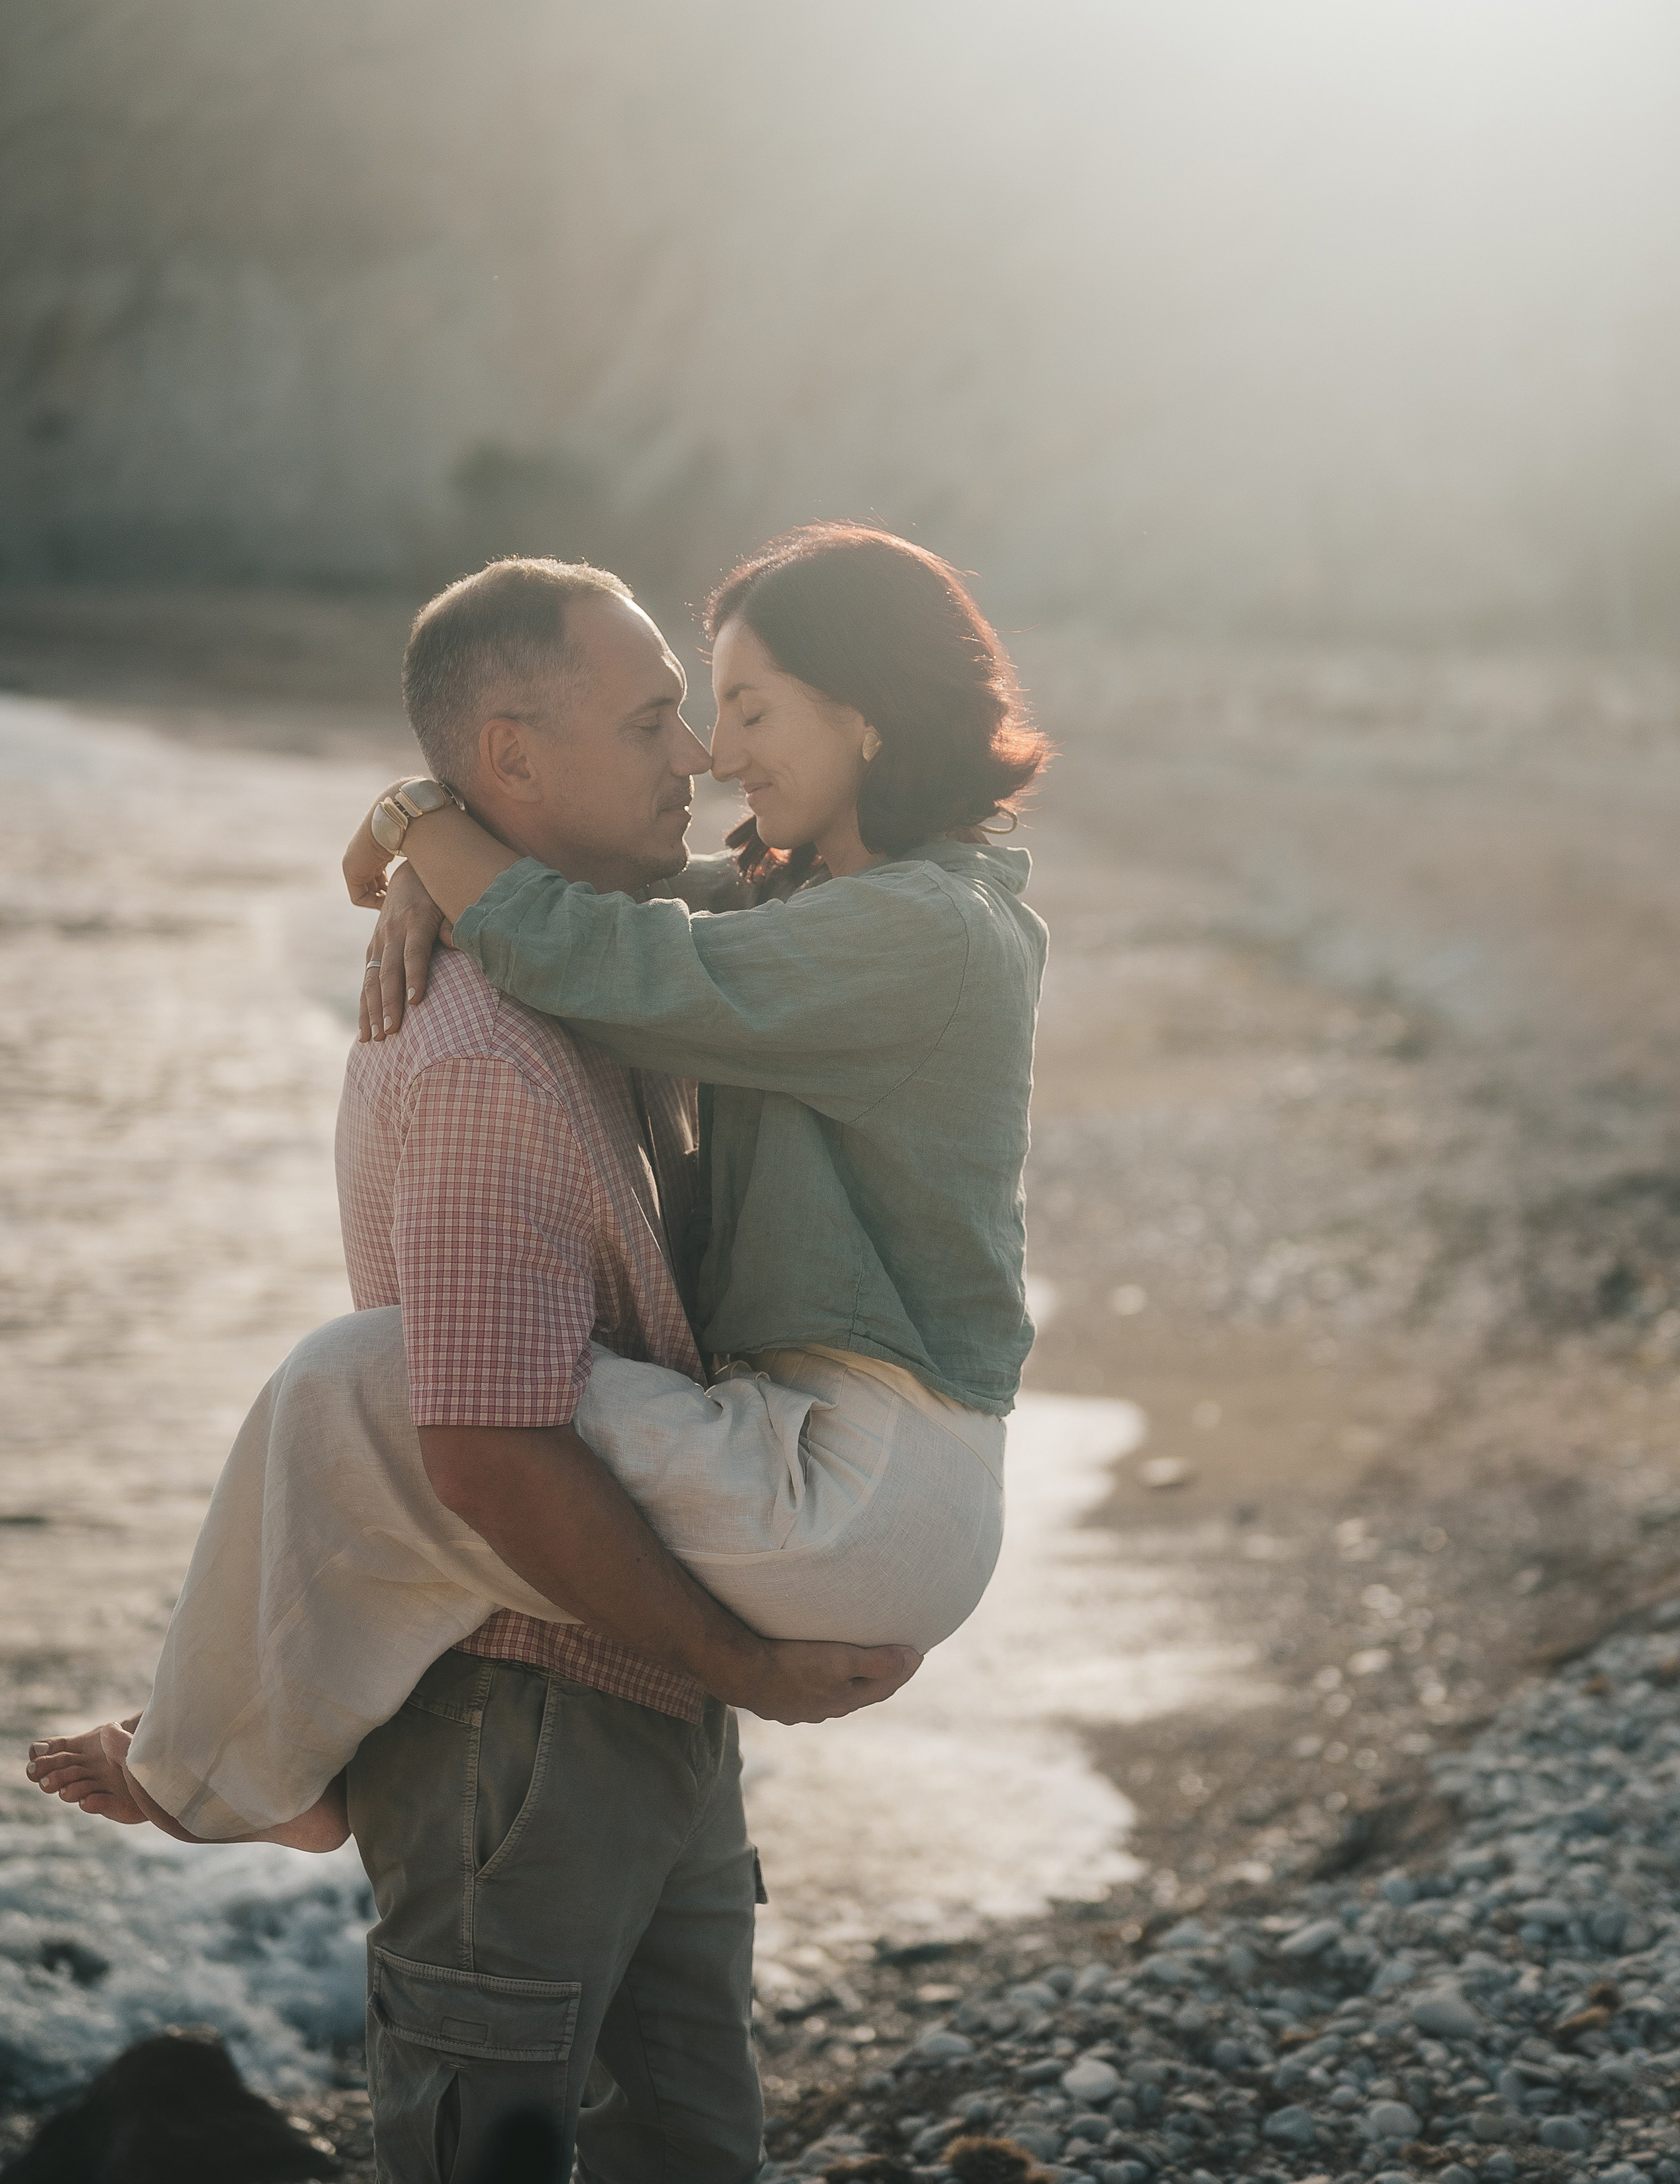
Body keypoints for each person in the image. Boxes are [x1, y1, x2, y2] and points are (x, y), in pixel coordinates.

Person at [29, 555, 928, 2184]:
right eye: (643, 721)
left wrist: (421, 837)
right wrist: (738, 1658)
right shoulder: (487, 1062)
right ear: (513, 756)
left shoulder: (587, 960)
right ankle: (227, 1762)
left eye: (699, 710)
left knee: (684, 2168)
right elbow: (488, 1446)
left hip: (653, 1697)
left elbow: (817, 901)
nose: (689, 751)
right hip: (529, 1717)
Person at [34, 526, 1048, 1855]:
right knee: (419, 1421)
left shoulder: (920, 931)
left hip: (864, 1488)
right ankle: (284, 1749)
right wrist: (440, 870)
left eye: (746, 709)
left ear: (861, 715)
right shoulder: (825, 904)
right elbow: (588, 902)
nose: (716, 754)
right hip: (841, 1462)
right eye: (694, 711)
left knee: (359, 1384)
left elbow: (607, 959)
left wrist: (419, 824)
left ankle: (205, 1767)